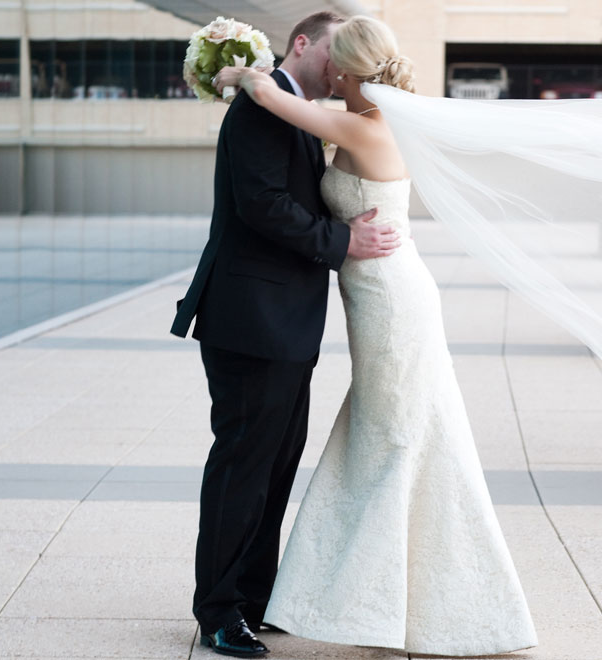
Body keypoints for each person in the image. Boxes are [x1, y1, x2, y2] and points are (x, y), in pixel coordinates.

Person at [213, 15, 539, 657]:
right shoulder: (372, 118)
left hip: (391, 300)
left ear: (350, 70)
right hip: (378, 293)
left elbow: (267, 94)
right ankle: (346, 593)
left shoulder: (357, 124)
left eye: (337, 60)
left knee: (394, 439)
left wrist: (232, 69)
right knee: (394, 436)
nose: (329, 71)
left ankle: (394, 599)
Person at [169, 12, 402, 659]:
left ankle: (250, 595)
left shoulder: (297, 109)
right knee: (244, 466)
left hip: (286, 323)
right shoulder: (261, 106)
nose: (342, 68)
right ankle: (218, 612)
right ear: (302, 44)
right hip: (250, 320)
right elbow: (263, 205)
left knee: (273, 466)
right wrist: (345, 239)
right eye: (334, 52)